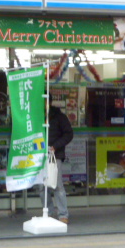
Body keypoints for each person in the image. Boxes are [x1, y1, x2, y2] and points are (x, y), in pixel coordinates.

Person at [40, 95, 74, 223]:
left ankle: (63, 214)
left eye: (44, 101)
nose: (42, 103)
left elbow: (69, 133)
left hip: (55, 155)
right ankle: (48, 212)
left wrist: (56, 146)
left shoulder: (59, 116)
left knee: (57, 184)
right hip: (39, 156)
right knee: (41, 186)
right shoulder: (36, 116)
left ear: (49, 101)